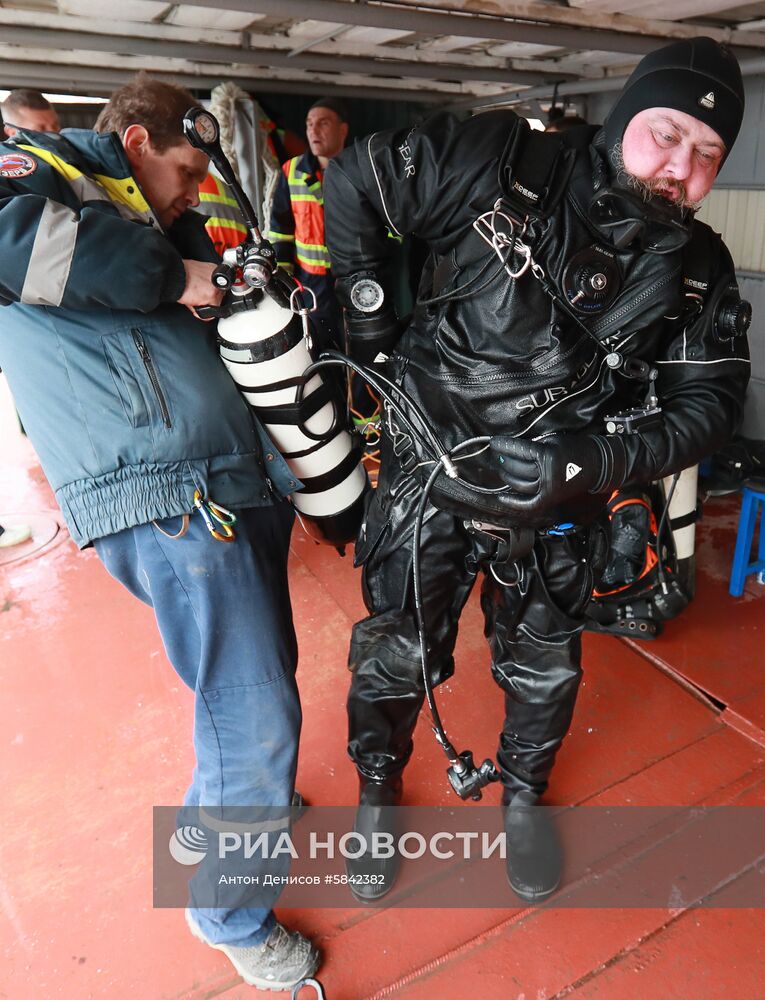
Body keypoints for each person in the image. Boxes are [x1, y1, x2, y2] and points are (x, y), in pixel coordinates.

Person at [324, 37, 751, 903]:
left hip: (564, 494)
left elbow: (708, 404)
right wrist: (368, 324)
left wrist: (590, 461)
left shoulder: (699, 270)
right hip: (429, 473)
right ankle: (378, 784)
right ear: (626, 115)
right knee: (395, 650)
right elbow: (355, 180)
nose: (680, 167)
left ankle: (521, 797)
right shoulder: (499, 160)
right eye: (665, 134)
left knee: (546, 662)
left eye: (707, 155)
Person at [0, 75, 319, 990]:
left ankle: (223, 814)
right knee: (255, 707)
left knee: (248, 683)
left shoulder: (143, 214)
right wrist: (178, 272)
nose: (193, 187)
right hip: (165, 490)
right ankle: (228, 909)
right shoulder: (38, 175)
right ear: (138, 142)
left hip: (217, 481)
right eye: (185, 167)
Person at [266, 97, 349, 351]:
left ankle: (358, 392)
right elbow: (280, 231)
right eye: (309, 124)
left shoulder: (360, 170)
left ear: (342, 130)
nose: (313, 130)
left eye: (323, 123)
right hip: (310, 285)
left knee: (357, 349)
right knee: (316, 348)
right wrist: (284, 279)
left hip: (351, 279)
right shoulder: (291, 171)